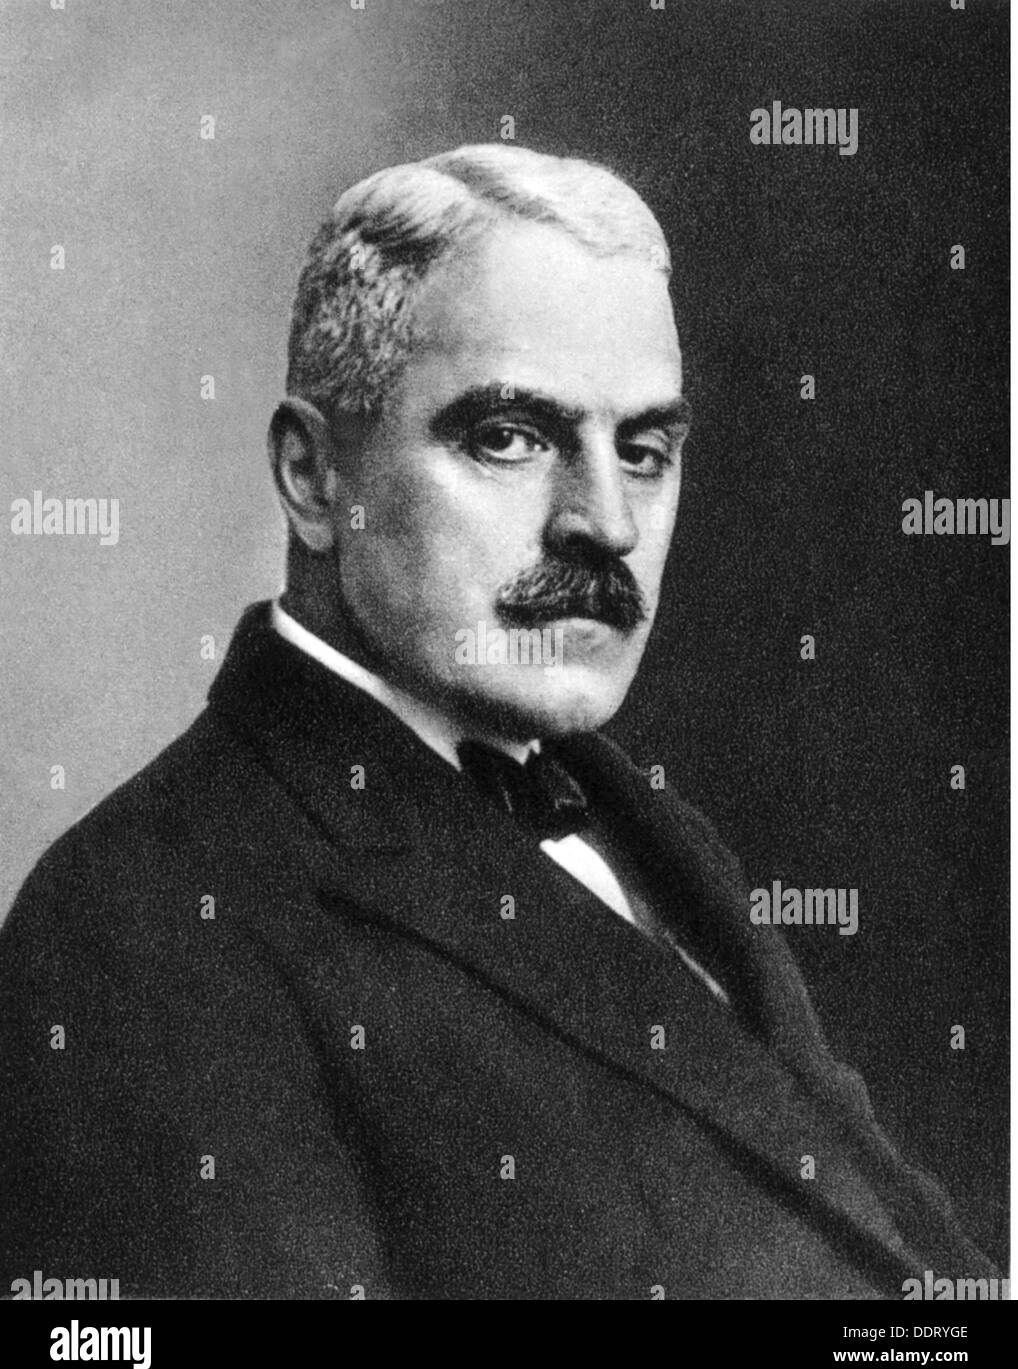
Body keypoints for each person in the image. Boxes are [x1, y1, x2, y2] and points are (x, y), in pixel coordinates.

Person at [0, 144, 993, 1300]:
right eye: (510, 438)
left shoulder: (654, 832)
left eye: (644, 451)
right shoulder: (136, 926)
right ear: (315, 478)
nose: (607, 524)